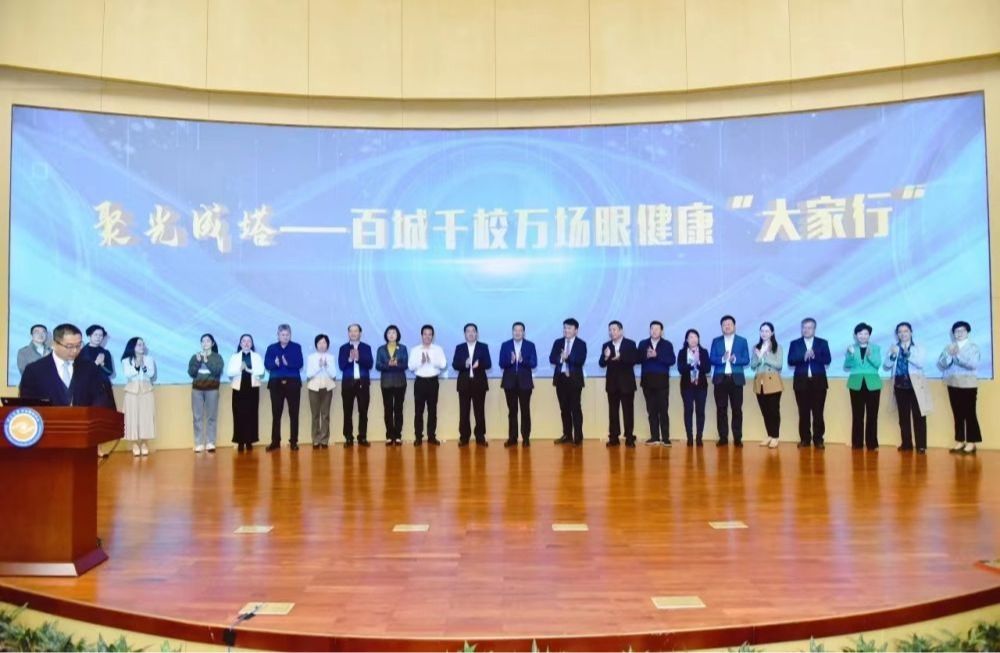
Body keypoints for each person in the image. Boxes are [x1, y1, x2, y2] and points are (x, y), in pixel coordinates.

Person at [19, 323, 112, 407]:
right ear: (54, 344)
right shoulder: (34, 370)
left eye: (78, 345)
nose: (75, 350)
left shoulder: (89, 368)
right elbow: (29, 406)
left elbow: (100, 399)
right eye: (69, 346)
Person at [884, 322, 932, 453]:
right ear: (897, 334)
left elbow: (920, 363)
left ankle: (921, 445)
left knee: (919, 416)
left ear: (911, 332)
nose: (903, 334)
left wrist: (907, 354)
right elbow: (887, 365)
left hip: (916, 385)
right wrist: (892, 355)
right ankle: (906, 444)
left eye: (905, 331)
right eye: (900, 332)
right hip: (899, 385)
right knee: (903, 417)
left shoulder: (918, 347)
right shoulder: (894, 347)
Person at [787, 318, 831, 449]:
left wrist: (815, 355)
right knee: (803, 412)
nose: (806, 330)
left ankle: (818, 439)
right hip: (801, 382)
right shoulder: (795, 343)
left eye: (809, 327)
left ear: (814, 329)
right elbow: (790, 361)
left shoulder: (822, 343)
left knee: (818, 413)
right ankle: (805, 439)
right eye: (804, 327)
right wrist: (803, 357)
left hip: (818, 382)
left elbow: (828, 359)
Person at [937, 320, 981, 455]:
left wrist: (957, 356)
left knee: (970, 414)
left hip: (968, 385)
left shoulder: (973, 347)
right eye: (956, 331)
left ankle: (972, 442)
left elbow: (973, 364)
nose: (959, 333)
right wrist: (949, 356)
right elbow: (941, 364)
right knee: (957, 414)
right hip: (952, 384)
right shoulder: (949, 347)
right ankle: (960, 440)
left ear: (967, 332)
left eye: (962, 331)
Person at [709, 315, 750, 447]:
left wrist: (735, 359)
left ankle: (737, 438)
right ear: (721, 327)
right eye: (724, 324)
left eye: (729, 324)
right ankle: (723, 437)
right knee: (721, 409)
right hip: (720, 379)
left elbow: (746, 359)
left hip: (736, 379)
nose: (727, 326)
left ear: (734, 326)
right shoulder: (716, 341)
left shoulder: (742, 341)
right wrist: (722, 359)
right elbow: (711, 359)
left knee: (737, 409)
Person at [264, 324, 304, 452]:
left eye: (287, 334)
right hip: (276, 383)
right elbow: (267, 364)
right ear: (278, 335)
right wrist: (274, 364)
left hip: (293, 383)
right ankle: (275, 442)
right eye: (282, 334)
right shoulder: (271, 348)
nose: (285, 337)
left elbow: (300, 363)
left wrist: (288, 363)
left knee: (294, 413)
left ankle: (294, 442)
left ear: (290, 335)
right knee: (276, 414)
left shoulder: (296, 347)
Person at [599, 320, 639, 447]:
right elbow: (601, 363)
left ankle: (629, 437)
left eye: (614, 329)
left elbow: (635, 359)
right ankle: (613, 437)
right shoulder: (606, 345)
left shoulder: (630, 344)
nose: (612, 332)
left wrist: (621, 358)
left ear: (621, 331)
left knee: (628, 412)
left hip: (627, 384)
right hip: (612, 384)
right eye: (610, 330)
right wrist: (606, 357)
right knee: (613, 412)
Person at [637, 320, 676, 446]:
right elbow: (637, 359)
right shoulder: (643, 343)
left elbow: (671, 360)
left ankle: (665, 438)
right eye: (652, 328)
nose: (654, 331)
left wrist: (656, 355)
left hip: (662, 381)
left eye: (657, 329)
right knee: (651, 411)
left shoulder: (667, 344)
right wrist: (647, 356)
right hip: (647, 381)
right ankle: (654, 437)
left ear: (661, 331)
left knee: (663, 410)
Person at [452, 323, 491, 447]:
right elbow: (455, 365)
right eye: (468, 331)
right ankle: (464, 437)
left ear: (477, 333)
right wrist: (465, 364)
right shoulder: (460, 348)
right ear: (464, 334)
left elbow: (488, 364)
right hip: (464, 384)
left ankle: (480, 437)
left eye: (473, 331)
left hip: (479, 384)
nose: (471, 333)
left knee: (479, 412)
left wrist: (480, 364)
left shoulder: (483, 347)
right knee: (464, 412)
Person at [499, 321, 537, 447]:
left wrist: (522, 360)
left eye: (520, 330)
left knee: (525, 411)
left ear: (523, 332)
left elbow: (534, 363)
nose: (517, 332)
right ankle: (512, 438)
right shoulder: (505, 345)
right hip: (509, 382)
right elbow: (501, 363)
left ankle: (526, 438)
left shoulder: (530, 345)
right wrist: (510, 361)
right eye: (515, 330)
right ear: (512, 332)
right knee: (512, 411)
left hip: (525, 383)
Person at [844, 323, 881, 451]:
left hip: (873, 383)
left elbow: (877, 364)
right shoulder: (851, 348)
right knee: (857, 415)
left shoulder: (875, 348)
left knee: (872, 415)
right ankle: (857, 443)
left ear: (869, 335)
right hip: (856, 383)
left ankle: (872, 443)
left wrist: (870, 355)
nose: (863, 336)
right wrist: (850, 354)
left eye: (866, 333)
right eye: (860, 333)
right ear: (856, 335)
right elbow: (847, 365)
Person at [408, 324, 447, 446]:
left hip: (433, 382)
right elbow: (410, 366)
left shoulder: (438, 349)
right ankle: (418, 437)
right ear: (421, 335)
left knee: (432, 411)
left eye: (430, 334)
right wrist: (421, 362)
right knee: (418, 411)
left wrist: (431, 361)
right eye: (425, 334)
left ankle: (431, 436)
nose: (427, 336)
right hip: (420, 382)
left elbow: (443, 364)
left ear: (433, 336)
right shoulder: (415, 350)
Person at [550, 318, 587, 446]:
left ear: (576, 330)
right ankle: (567, 435)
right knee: (564, 409)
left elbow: (580, 360)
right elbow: (552, 358)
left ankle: (578, 436)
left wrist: (568, 358)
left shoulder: (581, 344)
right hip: (561, 379)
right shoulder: (558, 342)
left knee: (575, 408)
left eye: (569, 328)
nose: (566, 330)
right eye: (565, 328)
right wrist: (561, 359)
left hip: (574, 380)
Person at [338, 324, 374, 447]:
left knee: (363, 411)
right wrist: (349, 359)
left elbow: (370, 364)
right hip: (348, 383)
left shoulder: (366, 347)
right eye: (351, 331)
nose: (353, 333)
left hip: (362, 383)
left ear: (360, 333)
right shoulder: (343, 348)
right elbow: (341, 366)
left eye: (356, 331)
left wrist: (358, 358)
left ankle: (362, 437)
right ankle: (348, 437)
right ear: (348, 333)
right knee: (347, 412)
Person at [228, 334, 265, 452]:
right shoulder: (234, 356)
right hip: (238, 389)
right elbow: (229, 372)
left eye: (249, 341)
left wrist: (249, 370)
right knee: (238, 415)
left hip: (252, 389)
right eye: (244, 341)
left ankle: (249, 441)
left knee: (251, 415)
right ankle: (240, 441)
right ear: (240, 344)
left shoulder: (256, 356)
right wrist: (239, 369)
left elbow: (261, 372)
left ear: (252, 344)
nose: (246, 343)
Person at [188, 333, 223, 453]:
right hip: (197, 389)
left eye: (208, 341)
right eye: (203, 341)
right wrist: (198, 362)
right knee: (197, 417)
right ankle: (198, 443)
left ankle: (210, 442)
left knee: (211, 417)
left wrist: (206, 361)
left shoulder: (217, 357)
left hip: (212, 389)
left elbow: (217, 371)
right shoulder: (195, 356)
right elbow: (191, 373)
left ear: (212, 343)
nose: (205, 343)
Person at [750, 322, 783, 449]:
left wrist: (764, 356)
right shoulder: (756, 347)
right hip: (760, 382)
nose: (764, 333)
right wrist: (758, 357)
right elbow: (753, 365)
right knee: (765, 411)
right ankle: (769, 435)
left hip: (773, 381)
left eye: (767, 331)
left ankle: (775, 437)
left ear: (772, 333)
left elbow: (779, 365)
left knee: (774, 411)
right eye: (762, 331)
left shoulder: (777, 347)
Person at [121, 337, 156, 456]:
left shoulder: (149, 359)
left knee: (146, 417)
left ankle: (145, 443)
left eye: (143, 344)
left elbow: (151, 374)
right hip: (132, 390)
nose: (142, 347)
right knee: (132, 417)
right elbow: (128, 374)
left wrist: (143, 366)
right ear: (133, 346)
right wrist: (136, 365)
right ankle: (134, 443)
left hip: (146, 390)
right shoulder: (126, 360)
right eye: (139, 345)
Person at [376, 325, 409, 446]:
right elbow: (378, 365)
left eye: (394, 332)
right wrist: (388, 365)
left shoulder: (403, 348)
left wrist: (397, 364)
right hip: (386, 383)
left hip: (400, 382)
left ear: (397, 335)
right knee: (388, 409)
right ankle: (389, 436)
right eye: (389, 333)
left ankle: (398, 435)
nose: (391, 335)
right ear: (386, 335)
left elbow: (405, 364)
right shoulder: (381, 349)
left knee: (398, 409)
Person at [677, 329, 710, 446]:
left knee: (700, 412)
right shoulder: (682, 352)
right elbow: (680, 369)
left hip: (701, 387)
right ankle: (689, 438)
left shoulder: (704, 352)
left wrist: (699, 363)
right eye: (691, 337)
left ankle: (699, 437)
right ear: (687, 340)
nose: (693, 339)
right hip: (687, 387)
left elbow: (707, 369)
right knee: (688, 411)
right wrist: (692, 364)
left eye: (696, 337)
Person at [306, 334, 336, 449]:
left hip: (327, 388)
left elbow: (334, 374)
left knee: (325, 415)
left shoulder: (331, 357)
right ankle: (315, 439)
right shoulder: (311, 357)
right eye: (319, 343)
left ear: (327, 344)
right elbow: (309, 374)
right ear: (316, 345)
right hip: (314, 388)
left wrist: (326, 366)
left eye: (324, 343)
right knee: (315, 415)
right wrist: (319, 366)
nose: (322, 345)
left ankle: (324, 440)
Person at [79, 324, 116, 410]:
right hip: (86, 388)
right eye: (95, 335)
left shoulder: (105, 352)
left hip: (103, 389)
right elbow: (81, 372)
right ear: (90, 335)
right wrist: (96, 363)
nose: (98, 337)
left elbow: (110, 372)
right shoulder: (82, 352)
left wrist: (102, 364)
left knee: (105, 414)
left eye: (101, 335)